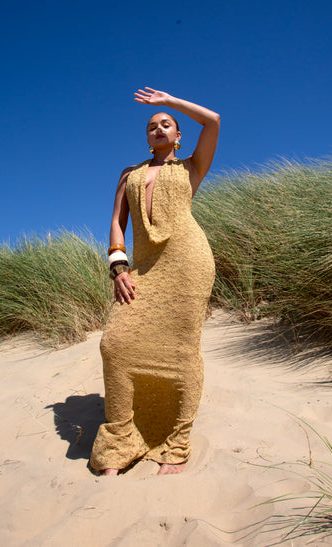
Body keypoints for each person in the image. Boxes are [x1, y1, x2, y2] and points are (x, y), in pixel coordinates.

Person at [90, 87, 220, 475]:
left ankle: (174, 444)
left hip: (188, 261)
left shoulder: (192, 167)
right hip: (143, 267)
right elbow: (117, 221)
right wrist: (118, 266)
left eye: (166, 125)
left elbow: (212, 120)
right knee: (115, 344)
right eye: (152, 126)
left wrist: (169, 102)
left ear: (178, 136)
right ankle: (120, 442)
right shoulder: (130, 174)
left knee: (182, 349)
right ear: (146, 138)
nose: (159, 128)